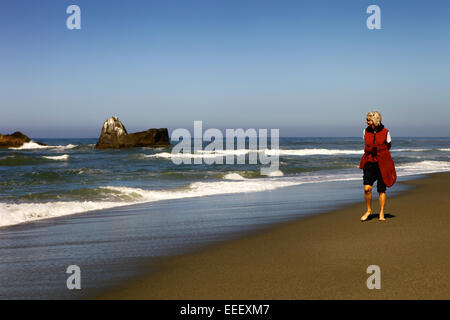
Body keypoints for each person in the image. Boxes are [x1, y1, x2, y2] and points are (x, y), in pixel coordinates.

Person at [359, 111, 397, 221]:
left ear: (375, 121)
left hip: (382, 163)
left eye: (368, 120)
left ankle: (381, 213)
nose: (366, 122)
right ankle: (369, 210)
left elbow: (388, 145)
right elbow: (366, 143)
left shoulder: (386, 132)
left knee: (381, 190)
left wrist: (381, 154)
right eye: (367, 119)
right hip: (369, 162)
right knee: (367, 188)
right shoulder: (365, 131)